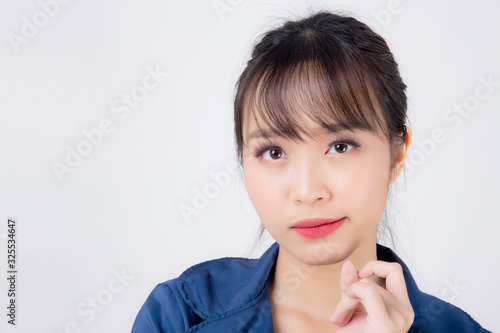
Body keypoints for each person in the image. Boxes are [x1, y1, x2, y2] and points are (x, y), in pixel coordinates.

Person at [131, 10, 491, 332]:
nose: (307, 191)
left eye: (340, 146)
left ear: (397, 156)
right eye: (273, 151)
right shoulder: (180, 315)